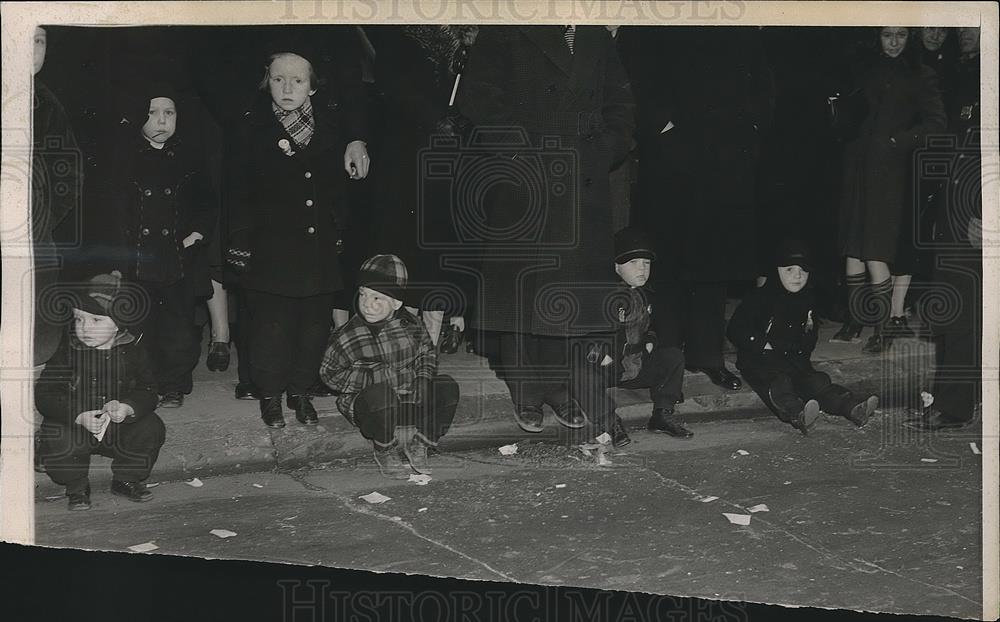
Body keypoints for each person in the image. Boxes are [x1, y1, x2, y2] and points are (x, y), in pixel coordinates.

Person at [457, 25, 635, 433]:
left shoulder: (595, 35)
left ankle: (558, 388)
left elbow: (621, 102)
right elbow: (478, 97)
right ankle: (526, 393)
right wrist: (518, 152)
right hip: (526, 175)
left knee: (565, 295)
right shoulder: (507, 27)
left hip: (581, 176)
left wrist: (604, 149)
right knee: (524, 293)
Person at [619, 26, 775, 392]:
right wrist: (660, 127)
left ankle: (708, 356)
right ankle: (666, 355)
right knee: (668, 257)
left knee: (714, 259)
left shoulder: (731, 18)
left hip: (724, 154)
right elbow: (635, 70)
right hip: (672, 155)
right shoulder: (654, 15)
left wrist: (750, 127)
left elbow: (761, 77)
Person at [227, 49, 353, 428]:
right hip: (270, 249)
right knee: (271, 327)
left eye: (298, 81)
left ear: (312, 88)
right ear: (267, 81)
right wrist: (240, 244)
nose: (287, 88)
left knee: (313, 326)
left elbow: (338, 190)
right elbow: (237, 192)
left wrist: (338, 231)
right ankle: (270, 396)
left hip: (317, 247)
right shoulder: (251, 128)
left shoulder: (330, 127)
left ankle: (300, 391)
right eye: (278, 79)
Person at [831, 27, 946, 353]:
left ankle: (883, 328)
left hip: (889, 173)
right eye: (887, 35)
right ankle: (855, 318)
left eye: (901, 35)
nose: (894, 42)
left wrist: (898, 141)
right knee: (852, 249)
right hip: (856, 168)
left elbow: (937, 122)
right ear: (877, 38)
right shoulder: (866, 69)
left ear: (910, 38)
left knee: (875, 250)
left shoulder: (921, 75)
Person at [105, 81, 217, 408]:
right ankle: (142, 382)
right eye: (153, 113)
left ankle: (174, 383)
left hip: (177, 257)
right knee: (141, 322)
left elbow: (206, 202)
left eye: (169, 113)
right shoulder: (126, 158)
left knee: (178, 325)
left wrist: (196, 234)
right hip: (137, 258)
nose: (162, 120)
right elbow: (115, 206)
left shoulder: (189, 157)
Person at [366, 25, 477, 346]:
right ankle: (401, 343)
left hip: (455, 153)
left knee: (441, 250)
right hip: (408, 153)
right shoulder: (400, 26)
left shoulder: (474, 29)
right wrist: (434, 118)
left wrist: (463, 120)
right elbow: (392, 81)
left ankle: (428, 347)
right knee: (408, 247)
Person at [319, 255, 460, 479]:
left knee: (447, 386)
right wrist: (375, 376)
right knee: (381, 396)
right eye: (363, 294)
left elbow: (427, 353)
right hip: (372, 409)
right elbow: (328, 373)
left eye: (377, 298)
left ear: (396, 303)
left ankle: (420, 444)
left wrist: (423, 378)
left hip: (407, 399)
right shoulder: (347, 335)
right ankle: (385, 448)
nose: (367, 305)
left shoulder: (412, 325)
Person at [35, 270, 166, 511]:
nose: (84, 327)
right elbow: (45, 395)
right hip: (74, 424)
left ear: (118, 325)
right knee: (59, 436)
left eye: (96, 320)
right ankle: (76, 487)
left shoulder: (133, 351)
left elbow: (148, 390)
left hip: (114, 427)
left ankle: (126, 479)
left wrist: (128, 407)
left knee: (151, 427)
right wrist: (78, 414)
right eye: (79, 319)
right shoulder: (67, 351)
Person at [905, 26, 982, 432]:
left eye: (976, 27)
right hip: (952, 211)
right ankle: (954, 400)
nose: (966, 33)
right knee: (953, 312)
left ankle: (955, 406)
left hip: (976, 216)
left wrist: (986, 212)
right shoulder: (960, 77)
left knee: (966, 313)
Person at [728, 241, 880, 434]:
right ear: (777, 271)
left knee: (817, 383)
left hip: (793, 359)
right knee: (779, 384)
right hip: (761, 360)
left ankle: (851, 407)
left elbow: (810, 330)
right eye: (790, 269)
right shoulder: (760, 298)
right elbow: (735, 329)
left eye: (803, 271)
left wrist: (803, 346)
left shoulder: (807, 300)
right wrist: (761, 343)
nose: (797, 276)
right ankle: (797, 413)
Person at [574, 228, 692, 449]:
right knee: (580, 374)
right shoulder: (601, 296)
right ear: (616, 267)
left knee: (673, 356)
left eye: (646, 263)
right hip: (608, 367)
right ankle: (610, 423)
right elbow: (582, 336)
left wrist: (650, 341)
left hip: (637, 364)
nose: (642, 269)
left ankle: (662, 414)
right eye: (634, 263)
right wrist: (600, 357)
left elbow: (653, 328)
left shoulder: (646, 294)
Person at [32, 26, 83, 368]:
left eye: (39, 42)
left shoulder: (47, 102)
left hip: (35, 237)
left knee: (40, 325)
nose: (31, 50)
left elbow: (69, 170)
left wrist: (45, 218)